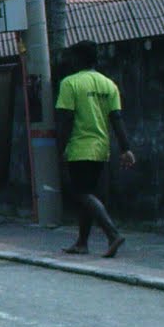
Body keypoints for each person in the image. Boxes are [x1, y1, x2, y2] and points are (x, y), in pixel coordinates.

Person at [56, 40, 135, 258]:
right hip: (102, 148)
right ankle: (82, 243)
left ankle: (112, 233)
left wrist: (59, 148)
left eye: (72, 57)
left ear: (78, 59)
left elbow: (66, 120)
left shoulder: (69, 83)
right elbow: (116, 118)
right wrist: (126, 148)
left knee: (80, 193)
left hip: (79, 147)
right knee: (88, 194)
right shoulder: (109, 84)